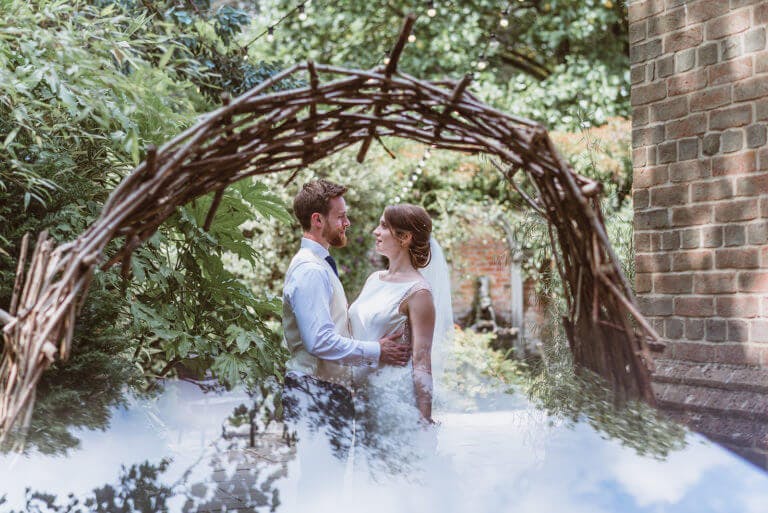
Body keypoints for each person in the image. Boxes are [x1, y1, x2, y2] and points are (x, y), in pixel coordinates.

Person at [280, 179, 410, 475]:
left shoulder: (320, 264)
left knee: (326, 486)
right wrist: (376, 351)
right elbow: (320, 342)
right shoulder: (310, 270)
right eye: (340, 216)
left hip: (323, 392)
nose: (347, 223)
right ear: (317, 220)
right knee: (322, 490)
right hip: (315, 392)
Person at [347, 203, 454, 476]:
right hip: (363, 397)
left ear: (404, 238)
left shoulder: (419, 293)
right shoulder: (374, 279)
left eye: (384, 226)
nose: (375, 231)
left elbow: (421, 359)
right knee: (366, 477)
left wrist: (424, 418)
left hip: (393, 397)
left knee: (391, 477)